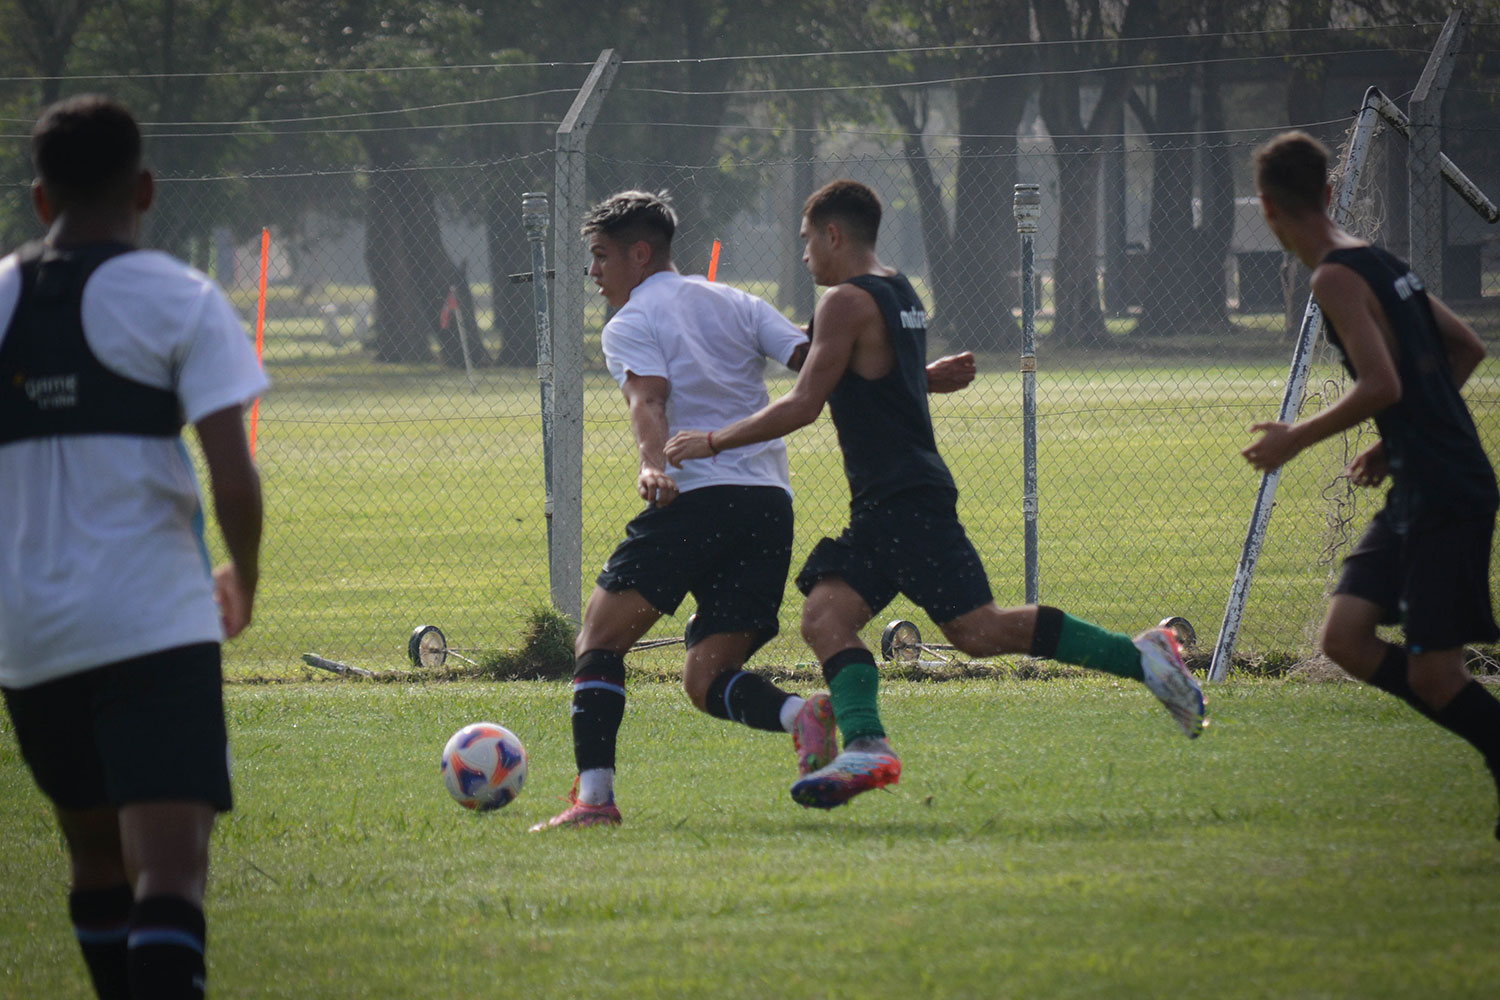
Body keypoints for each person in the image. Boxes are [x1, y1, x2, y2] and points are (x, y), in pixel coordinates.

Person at [665, 179, 1206, 810]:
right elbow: (874, 380)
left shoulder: (843, 301)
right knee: (868, 620)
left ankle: (1140, 657)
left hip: (903, 499)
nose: (805, 253)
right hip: (895, 495)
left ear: (834, 234)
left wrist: (711, 440)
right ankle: (871, 745)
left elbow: (806, 401)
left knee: (943, 627)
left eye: (808, 240)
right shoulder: (900, 290)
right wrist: (926, 380)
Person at [529, 189, 974, 831]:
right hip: (767, 504)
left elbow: (647, 403)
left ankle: (594, 800)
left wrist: (653, 464)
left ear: (640, 253)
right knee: (707, 677)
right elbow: (821, 363)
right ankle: (803, 717)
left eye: (600, 257)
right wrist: (921, 376)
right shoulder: (737, 300)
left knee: (597, 639)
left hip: (695, 498)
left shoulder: (629, 323)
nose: (594, 272)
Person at [0, 95, 266, 998]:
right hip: (155, 620)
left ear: (40, 199)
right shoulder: (178, 298)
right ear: (146, 189)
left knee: (93, 859)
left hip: (30, 632)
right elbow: (234, 477)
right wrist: (247, 577)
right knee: (170, 872)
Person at [1242, 131, 1500, 840]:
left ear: (1267, 209)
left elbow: (1382, 380)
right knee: (1346, 637)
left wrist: (1295, 438)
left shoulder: (1333, 277)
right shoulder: (1378, 260)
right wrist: (1394, 440)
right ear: (1328, 192)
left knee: (1436, 678)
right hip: (1423, 480)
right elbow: (1465, 347)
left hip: (1447, 489)